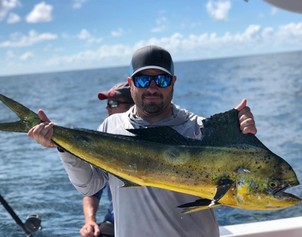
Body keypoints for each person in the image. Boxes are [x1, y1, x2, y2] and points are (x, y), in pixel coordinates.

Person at [28, 45, 257, 237]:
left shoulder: (199, 129)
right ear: (131, 82)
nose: (153, 88)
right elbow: (90, 186)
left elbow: (248, 179)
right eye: (143, 80)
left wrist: (242, 135)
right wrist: (63, 147)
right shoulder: (112, 126)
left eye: (161, 79)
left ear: (173, 82)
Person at [80, 82, 134, 237]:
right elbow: (93, 192)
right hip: (114, 223)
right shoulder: (107, 144)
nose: (108, 107)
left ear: (132, 106)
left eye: (113, 103)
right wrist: (90, 221)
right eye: (107, 103)